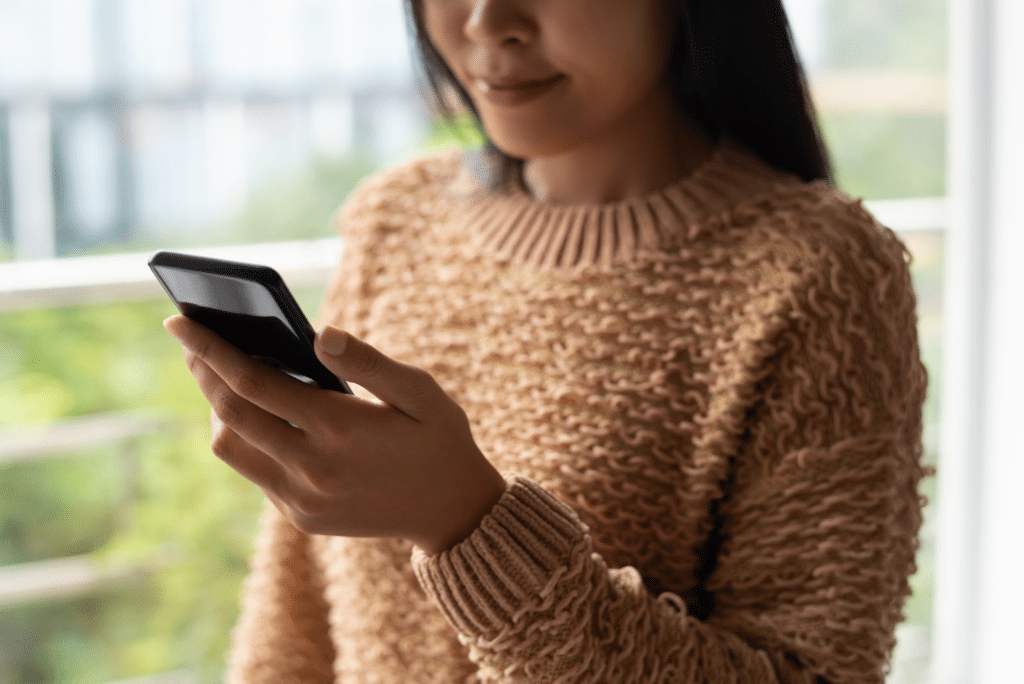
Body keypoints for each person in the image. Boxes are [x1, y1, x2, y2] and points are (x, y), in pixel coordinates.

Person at [163, 0, 930, 682]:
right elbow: (296, 615)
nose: (487, 21)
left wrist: (468, 525)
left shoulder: (820, 277)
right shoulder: (396, 220)